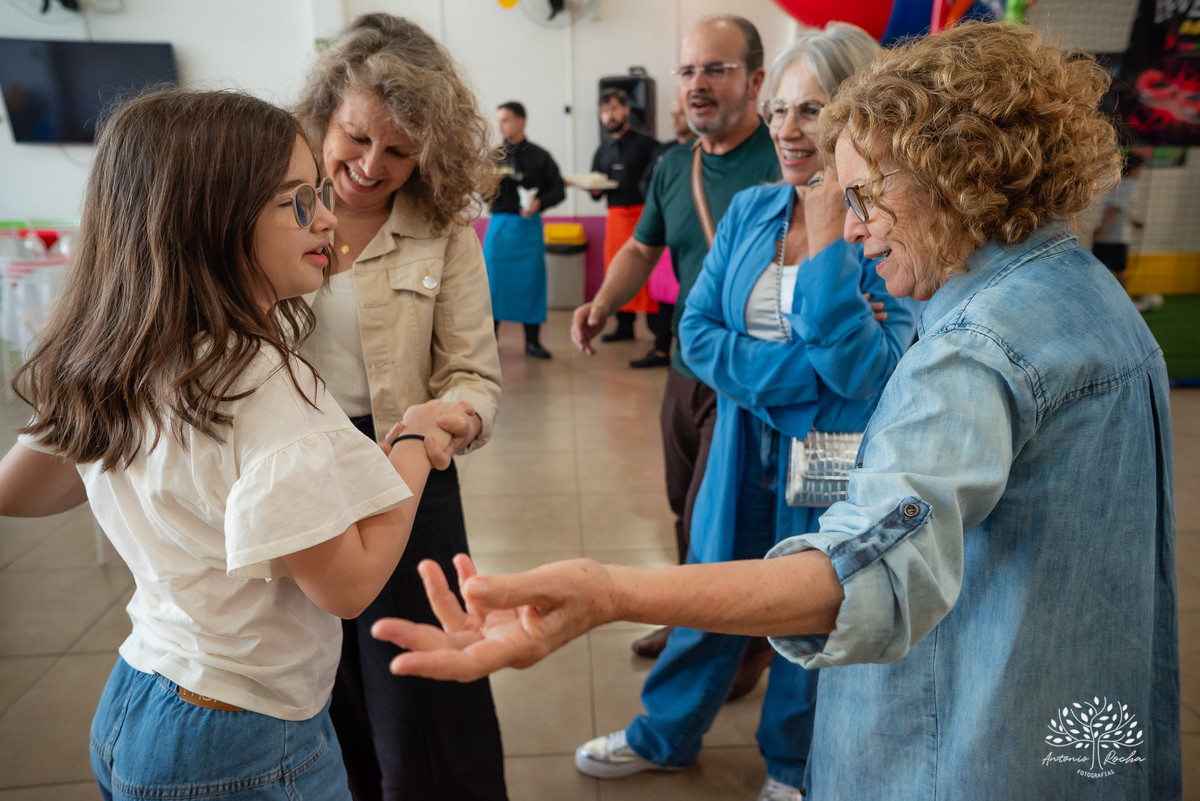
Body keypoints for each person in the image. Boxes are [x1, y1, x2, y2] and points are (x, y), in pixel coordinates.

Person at [374, 22, 1182, 801]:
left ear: (953, 170)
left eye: (864, 194)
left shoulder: (975, 347)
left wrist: (607, 592)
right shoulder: (1080, 289)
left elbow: (860, 576)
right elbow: (703, 331)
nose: (852, 227)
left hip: (971, 743)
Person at [0, 89, 455, 800]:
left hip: (137, 696)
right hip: (241, 738)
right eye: (297, 202)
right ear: (209, 221)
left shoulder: (115, 359)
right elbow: (347, 585)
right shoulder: (265, 388)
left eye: (318, 194)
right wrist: (415, 443)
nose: (328, 217)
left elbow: (19, 490)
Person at [573, 24, 915, 801]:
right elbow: (696, 333)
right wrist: (799, 371)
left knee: (813, 608)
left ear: (857, 117)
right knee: (712, 584)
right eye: (779, 111)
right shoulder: (752, 210)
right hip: (740, 439)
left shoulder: (884, 225)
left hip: (832, 453)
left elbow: (869, 371)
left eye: (811, 111)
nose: (788, 130)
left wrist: (825, 245)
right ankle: (663, 734)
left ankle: (794, 765)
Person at [294, 14, 507, 801]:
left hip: (407, 468)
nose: (369, 165)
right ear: (324, 115)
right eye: (356, 137)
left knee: (424, 693)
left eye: (399, 151)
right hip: (297, 471)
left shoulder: (442, 231)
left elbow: (472, 372)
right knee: (323, 686)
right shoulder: (269, 207)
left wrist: (447, 422)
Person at [573, 15, 783, 664]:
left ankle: (741, 644)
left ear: (755, 80)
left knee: (720, 514)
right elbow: (643, 248)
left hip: (749, 375)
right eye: (688, 70)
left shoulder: (782, 161)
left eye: (715, 69)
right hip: (687, 371)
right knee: (680, 502)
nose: (697, 84)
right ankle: (688, 615)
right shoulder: (674, 165)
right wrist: (604, 302)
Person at [487, 100, 566, 359]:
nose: (501, 126)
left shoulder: (540, 156)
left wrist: (540, 202)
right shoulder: (494, 157)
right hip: (500, 229)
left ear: (521, 121)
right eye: (499, 120)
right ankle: (489, 341)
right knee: (493, 286)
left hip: (529, 229)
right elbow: (484, 195)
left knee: (532, 285)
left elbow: (558, 189)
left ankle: (533, 342)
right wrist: (489, 186)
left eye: (506, 120)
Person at [588, 87, 661, 346]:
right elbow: (595, 187)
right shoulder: (602, 150)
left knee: (649, 273)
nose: (609, 115)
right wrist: (594, 190)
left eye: (614, 108)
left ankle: (658, 332)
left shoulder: (648, 144)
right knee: (616, 270)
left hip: (643, 216)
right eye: (604, 111)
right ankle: (624, 326)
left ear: (626, 110)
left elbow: (657, 180)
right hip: (616, 217)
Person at [631, 98, 695, 370]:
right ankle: (660, 349)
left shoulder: (705, 149)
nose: (675, 119)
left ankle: (690, 353)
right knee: (665, 294)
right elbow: (646, 182)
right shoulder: (664, 152)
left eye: (680, 113)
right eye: (672, 114)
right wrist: (662, 204)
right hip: (666, 231)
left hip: (691, 235)